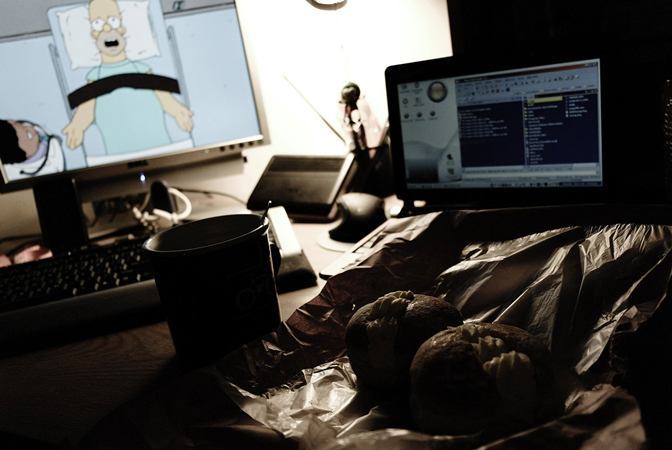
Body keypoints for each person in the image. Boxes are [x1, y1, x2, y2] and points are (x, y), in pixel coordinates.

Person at [62, 0, 193, 154]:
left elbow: (166, 100)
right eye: (98, 23)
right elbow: (86, 111)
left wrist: (178, 111)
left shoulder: (142, 70)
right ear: (93, 34)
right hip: (118, 155)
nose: (107, 29)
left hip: (161, 149)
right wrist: (77, 126)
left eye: (113, 20)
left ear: (122, 28)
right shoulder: (94, 78)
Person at [0, 119, 65, 179]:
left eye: (17, 123)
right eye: (29, 135)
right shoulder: (52, 168)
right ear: (26, 154)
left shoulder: (32, 126)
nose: (30, 128)